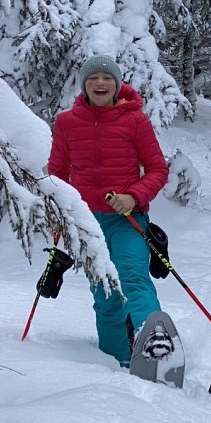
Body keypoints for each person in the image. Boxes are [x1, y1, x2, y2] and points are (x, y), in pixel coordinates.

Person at [47, 54, 170, 367]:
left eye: (106, 78)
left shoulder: (135, 120)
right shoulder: (66, 122)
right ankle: (118, 363)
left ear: (117, 85)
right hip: (87, 225)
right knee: (105, 295)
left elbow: (157, 169)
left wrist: (134, 196)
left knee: (133, 278)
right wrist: (58, 217)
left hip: (128, 220)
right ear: (84, 85)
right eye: (92, 78)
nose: (99, 83)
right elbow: (57, 174)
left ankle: (153, 340)